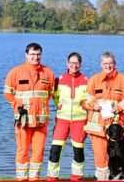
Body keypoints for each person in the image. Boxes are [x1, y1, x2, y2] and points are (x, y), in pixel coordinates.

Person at [4, 43, 55, 181]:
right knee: (22, 151)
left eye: (38, 54)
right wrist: (16, 104)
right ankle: (22, 178)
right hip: (23, 121)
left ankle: (34, 178)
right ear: (26, 54)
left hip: (40, 121)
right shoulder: (15, 72)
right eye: (32, 54)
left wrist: (38, 105)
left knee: (38, 153)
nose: (35, 57)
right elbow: (8, 93)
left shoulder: (48, 72)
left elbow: (50, 93)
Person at [84, 51, 124, 180]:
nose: (108, 66)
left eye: (110, 63)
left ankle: (119, 176)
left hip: (116, 129)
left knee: (119, 157)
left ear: (115, 64)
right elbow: (85, 100)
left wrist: (118, 107)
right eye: (105, 63)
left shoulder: (123, 80)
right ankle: (102, 178)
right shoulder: (94, 80)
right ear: (101, 64)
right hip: (98, 127)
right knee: (100, 158)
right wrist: (93, 105)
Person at [47, 52, 88, 181]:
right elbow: (55, 98)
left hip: (80, 121)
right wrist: (61, 107)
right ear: (67, 63)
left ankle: (76, 178)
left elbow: (90, 101)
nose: (74, 65)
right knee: (55, 151)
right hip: (62, 121)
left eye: (76, 63)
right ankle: (52, 178)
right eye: (71, 62)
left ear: (80, 64)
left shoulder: (87, 81)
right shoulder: (58, 80)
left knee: (78, 152)